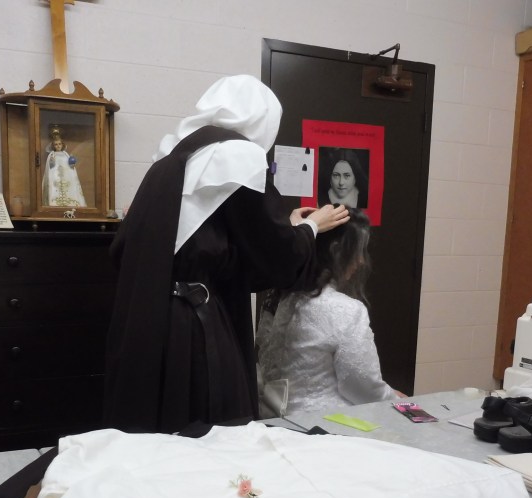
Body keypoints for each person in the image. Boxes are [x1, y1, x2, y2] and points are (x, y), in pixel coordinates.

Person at [103, 75, 350, 434]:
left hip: (148, 317)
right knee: (207, 432)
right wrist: (312, 227)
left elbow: (214, 237)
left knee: (156, 431)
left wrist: (289, 224)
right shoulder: (237, 156)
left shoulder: (172, 157)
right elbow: (278, 256)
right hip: (192, 326)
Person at [256, 209, 399, 415]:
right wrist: (395, 399)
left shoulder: (276, 298)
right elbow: (362, 387)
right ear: (336, 251)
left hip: (270, 416)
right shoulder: (347, 310)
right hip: (323, 424)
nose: (360, 260)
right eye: (357, 250)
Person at [42, 125, 87, 208]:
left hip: (67, 176)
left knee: (70, 188)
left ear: (62, 145)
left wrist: (72, 162)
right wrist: (52, 161)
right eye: (56, 144)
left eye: (59, 144)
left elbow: (71, 167)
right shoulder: (52, 155)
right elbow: (50, 167)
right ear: (53, 146)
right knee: (55, 189)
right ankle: (54, 202)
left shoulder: (66, 154)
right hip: (55, 176)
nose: (58, 146)